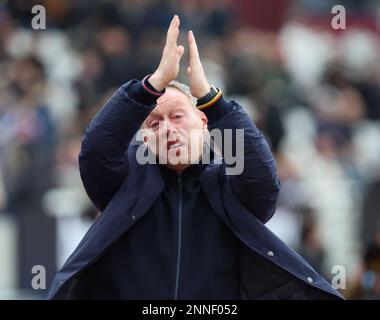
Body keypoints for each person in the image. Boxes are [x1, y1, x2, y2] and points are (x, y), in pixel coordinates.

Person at [48, 15, 343, 300]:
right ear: (145, 138)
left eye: (177, 116)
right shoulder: (125, 181)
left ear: (204, 124)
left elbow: (260, 179)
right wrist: (149, 87)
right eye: (153, 123)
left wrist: (212, 102)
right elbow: (97, 152)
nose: (167, 129)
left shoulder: (228, 183)